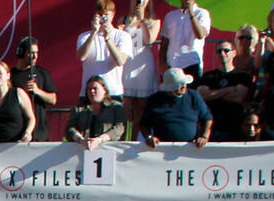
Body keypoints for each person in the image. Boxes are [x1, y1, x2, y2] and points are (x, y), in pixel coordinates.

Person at [195, 40, 254, 141]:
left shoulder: (242, 76)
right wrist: (230, 89)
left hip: (235, 127)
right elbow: (203, 96)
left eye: (226, 50)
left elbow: (239, 97)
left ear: (234, 53)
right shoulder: (208, 76)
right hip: (212, 128)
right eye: (219, 51)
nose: (222, 54)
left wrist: (214, 94)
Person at [140, 67, 212, 146]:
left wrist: (204, 137)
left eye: (184, 83)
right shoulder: (154, 100)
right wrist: (149, 137)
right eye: (180, 84)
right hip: (161, 150)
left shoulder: (193, 96)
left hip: (191, 149)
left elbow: (207, 118)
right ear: (170, 88)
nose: (184, 86)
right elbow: (144, 124)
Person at [77, 0, 132, 99]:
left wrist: (107, 38)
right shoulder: (84, 36)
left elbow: (120, 61)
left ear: (113, 15)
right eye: (100, 14)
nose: (103, 18)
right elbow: (81, 57)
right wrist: (94, 32)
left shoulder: (122, 36)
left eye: (106, 14)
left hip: (113, 92)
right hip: (89, 92)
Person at [11, 36, 58, 142]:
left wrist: (38, 92)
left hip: (39, 132)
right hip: (18, 132)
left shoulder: (42, 73)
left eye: (36, 52)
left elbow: (53, 99)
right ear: (21, 52)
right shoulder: (11, 75)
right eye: (31, 53)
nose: (35, 56)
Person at [122, 0, 160, 132]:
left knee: (141, 109)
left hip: (143, 65)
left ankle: (134, 141)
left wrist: (142, 19)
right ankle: (121, 140)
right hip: (127, 64)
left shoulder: (154, 21)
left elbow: (150, 40)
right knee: (125, 108)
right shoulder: (124, 19)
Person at [67, 73, 126, 148]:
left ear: (104, 90)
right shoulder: (78, 109)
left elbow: (119, 128)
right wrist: (81, 140)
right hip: (82, 148)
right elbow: (70, 128)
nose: (92, 91)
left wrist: (100, 140)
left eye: (95, 88)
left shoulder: (116, 107)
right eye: (89, 89)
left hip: (109, 150)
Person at [159, 0, 210, 80]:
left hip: (192, 64)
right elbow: (164, 44)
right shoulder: (170, 16)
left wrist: (191, 12)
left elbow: (200, 35)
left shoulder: (202, 13)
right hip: (172, 65)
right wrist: (164, 68)